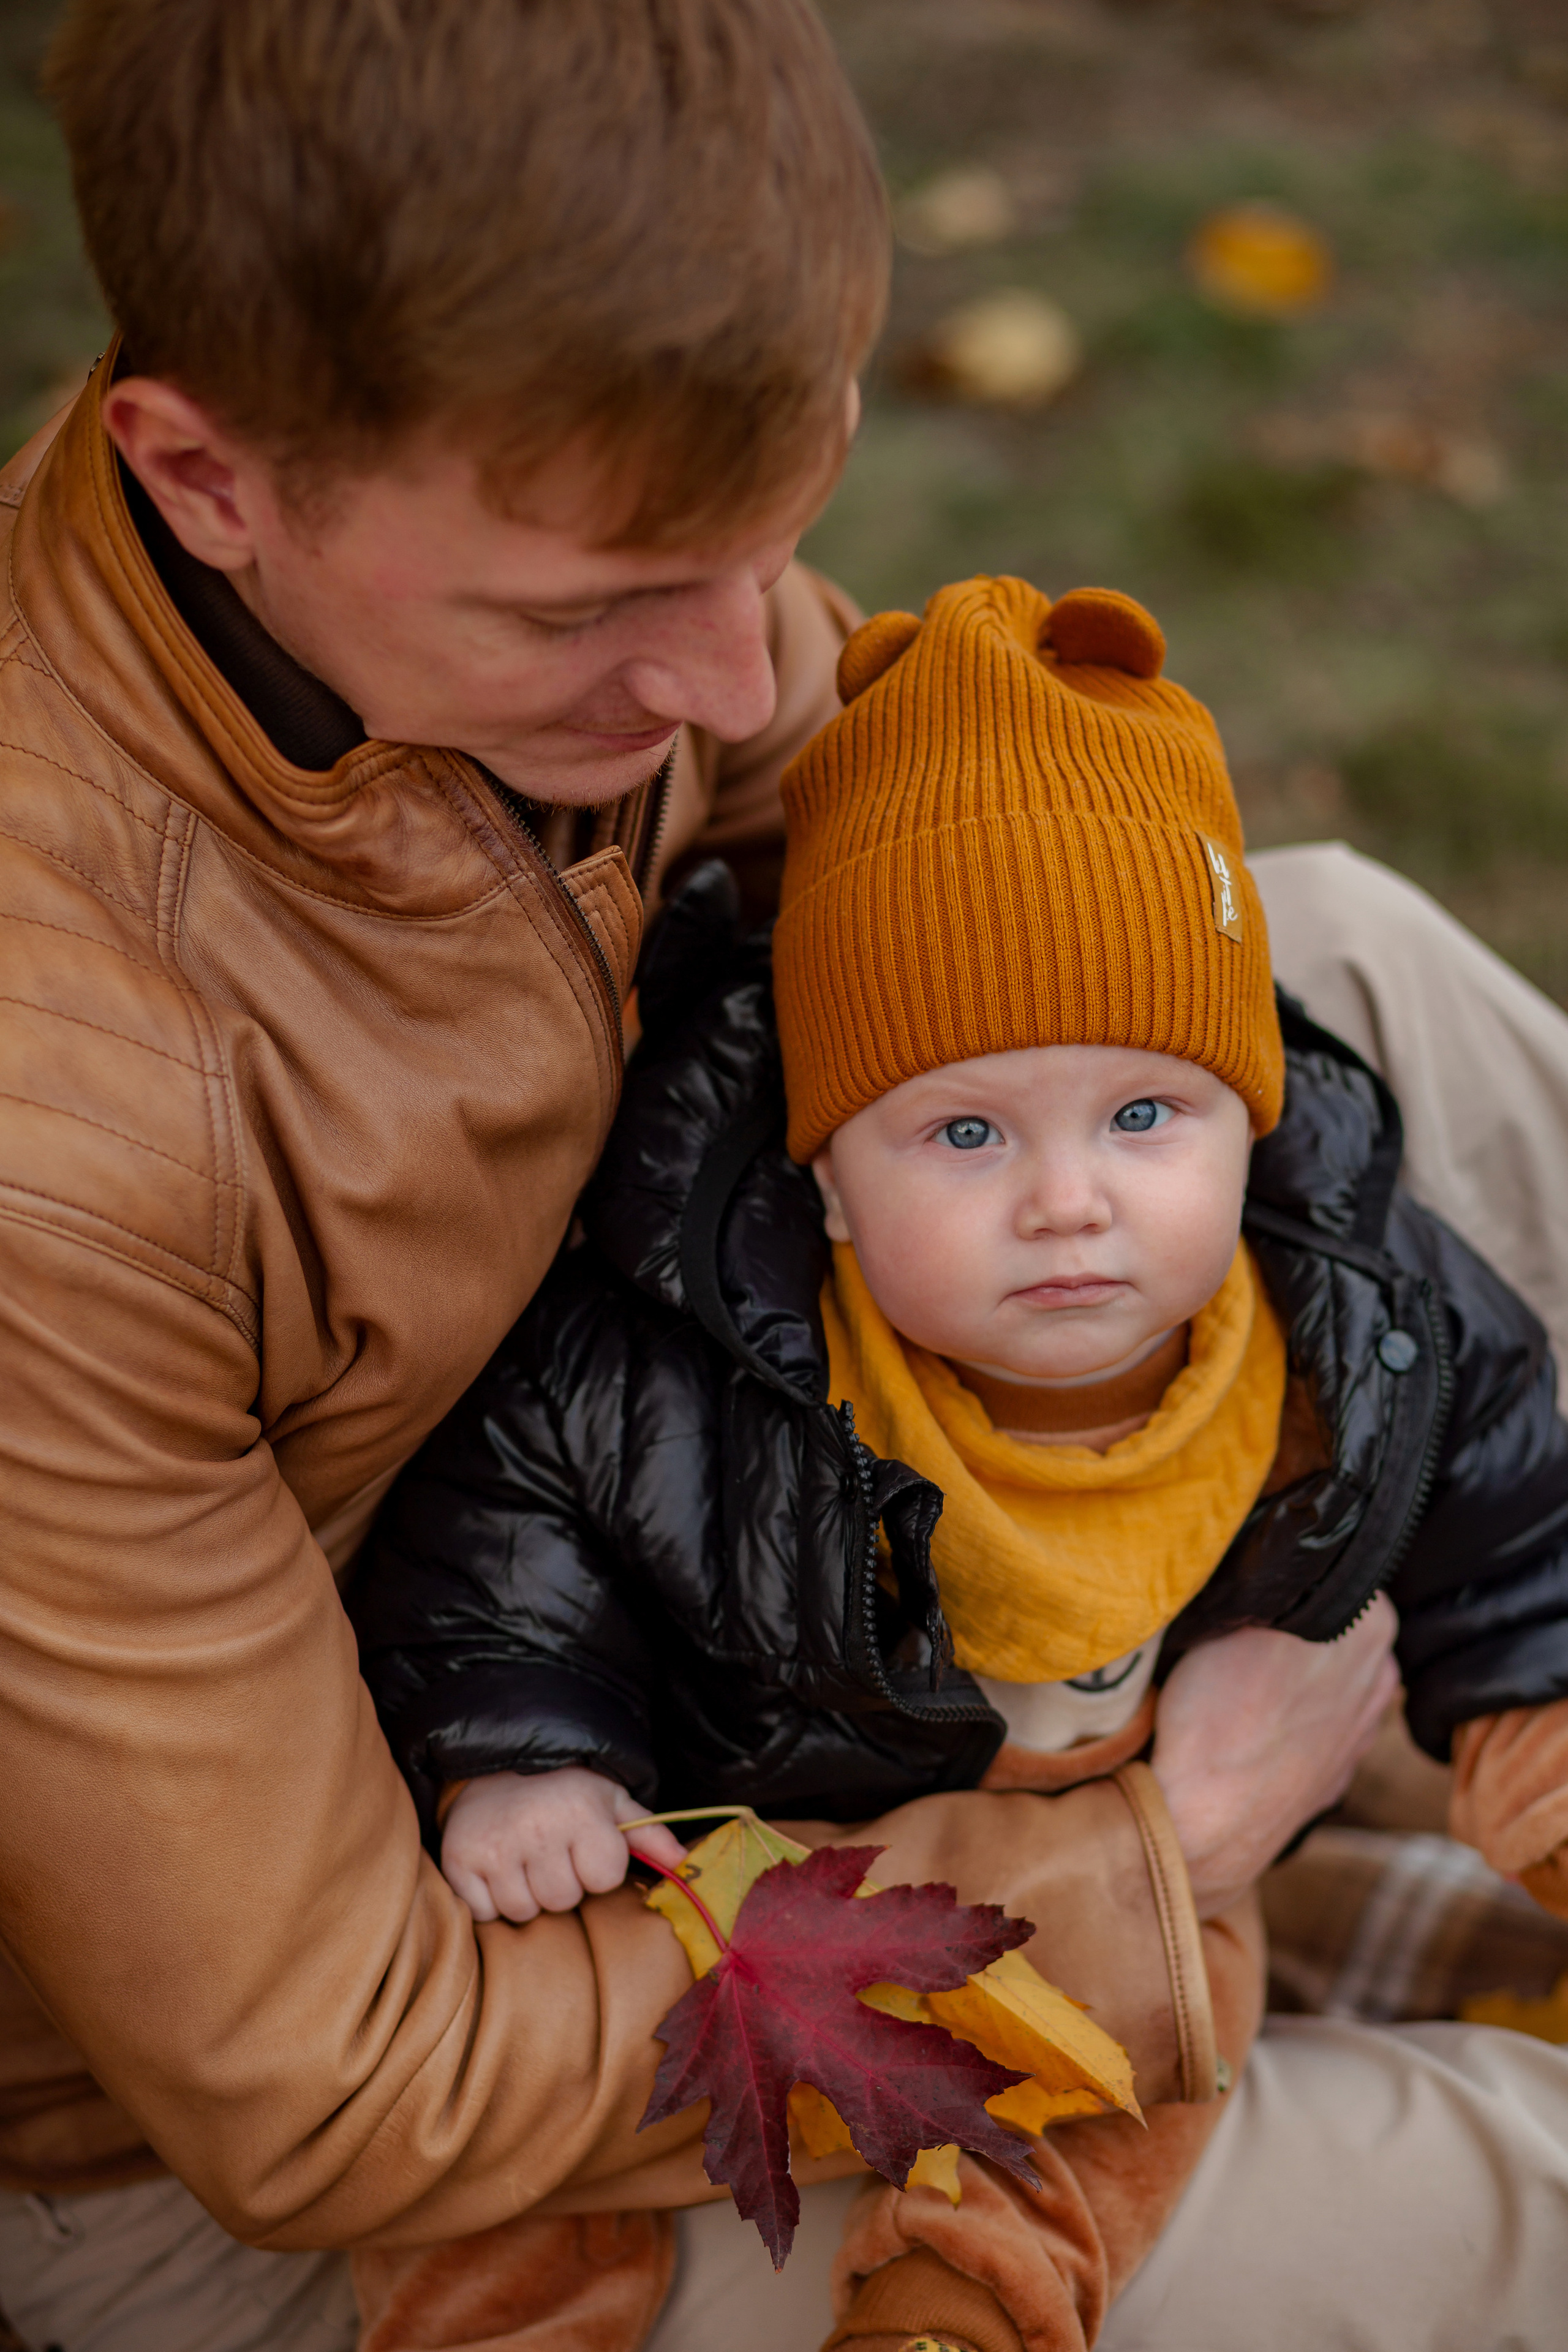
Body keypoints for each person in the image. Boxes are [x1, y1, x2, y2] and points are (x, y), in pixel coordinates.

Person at [0, 7, 1389, 2350]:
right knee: (1518, 2189)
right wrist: (1146, 1879)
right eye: (585, 616)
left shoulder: (493, 515)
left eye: (775, 530)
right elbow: (333, 2088)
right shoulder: (63, 1146)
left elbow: (825, 786)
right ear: (199, 472)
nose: (744, 674)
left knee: (1348, 956)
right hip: (349, 2115)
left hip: (713, 1613)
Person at [353, 575, 1568, 2351]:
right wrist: (525, 1757)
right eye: (967, 1131)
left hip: (1117, 1862)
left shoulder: (1348, 1309)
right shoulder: (679, 1343)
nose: (1068, 1197)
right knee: (556, 2188)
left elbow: (1519, 1530)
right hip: (764, 1864)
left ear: (1252, 1115)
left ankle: (967, 2306)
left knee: (1147, 2060)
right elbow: (503, 1532)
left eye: (1146, 1115)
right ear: (831, 1182)